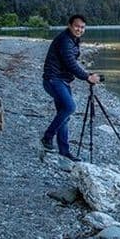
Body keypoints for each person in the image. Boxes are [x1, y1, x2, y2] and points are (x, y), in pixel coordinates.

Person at [41, 14, 101, 161]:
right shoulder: (65, 41)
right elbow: (70, 63)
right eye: (77, 26)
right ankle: (47, 137)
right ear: (69, 25)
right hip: (53, 79)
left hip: (62, 80)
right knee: (70, 107)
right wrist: (87, 76)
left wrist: (87, 74)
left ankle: (64, 151)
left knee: (64, 115)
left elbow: (71, 63)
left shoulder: (73, 40)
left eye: (82, 27)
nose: (79, 29)